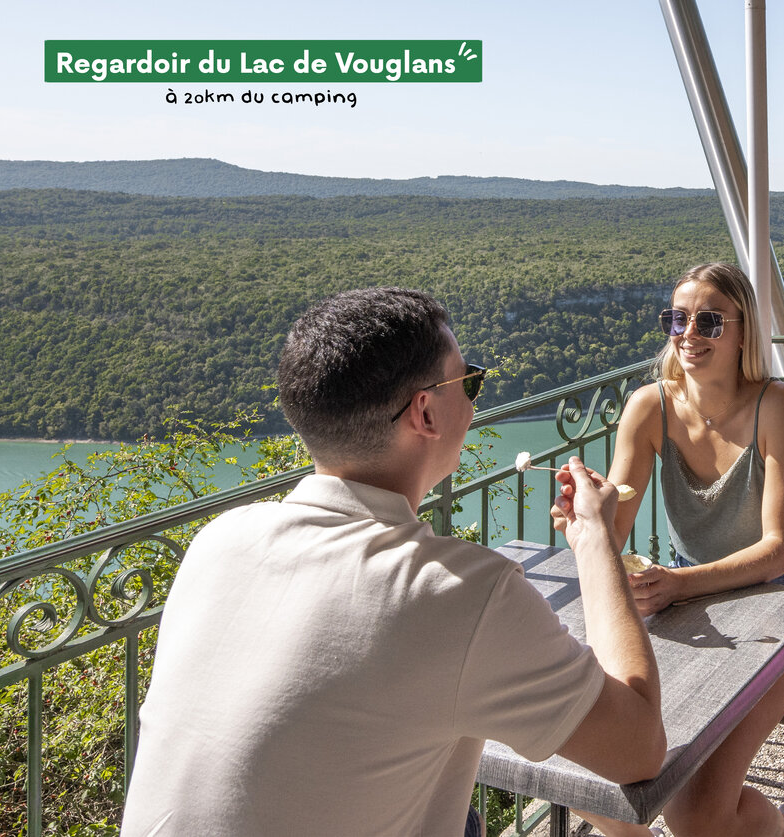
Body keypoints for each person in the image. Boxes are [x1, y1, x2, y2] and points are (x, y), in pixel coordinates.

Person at [120, 287, 665, 837]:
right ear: (425, 412)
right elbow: (639, 748)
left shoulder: (219, 540)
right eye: (468, 381)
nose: (474, 400)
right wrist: (594, 536)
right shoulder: (459, 591)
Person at [553, 262, 784, 837]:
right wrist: (585, 522)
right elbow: (613, 529)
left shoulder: (780, 407)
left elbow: (778, 552)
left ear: (744, 330)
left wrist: (677, 584)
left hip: (776, 619)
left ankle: (782, 828)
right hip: (683, 611)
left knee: (694, 813)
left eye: (709, 321)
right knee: (578, 764)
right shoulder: (650, 406)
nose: (688, 333)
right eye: (678, 318)